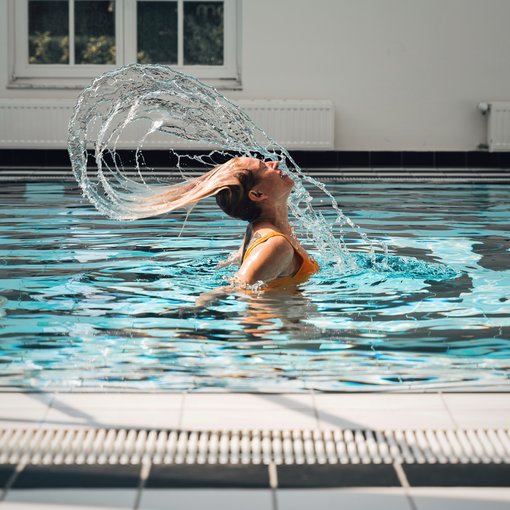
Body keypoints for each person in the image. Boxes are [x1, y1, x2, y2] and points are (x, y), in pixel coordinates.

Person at [138, 156, 319, 287]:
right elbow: (237, 288)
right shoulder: (275, 244)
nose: (274, 163)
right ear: (257, 194)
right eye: (264, 167)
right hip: (279, 330)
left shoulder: (259, 231)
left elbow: (233, 262)